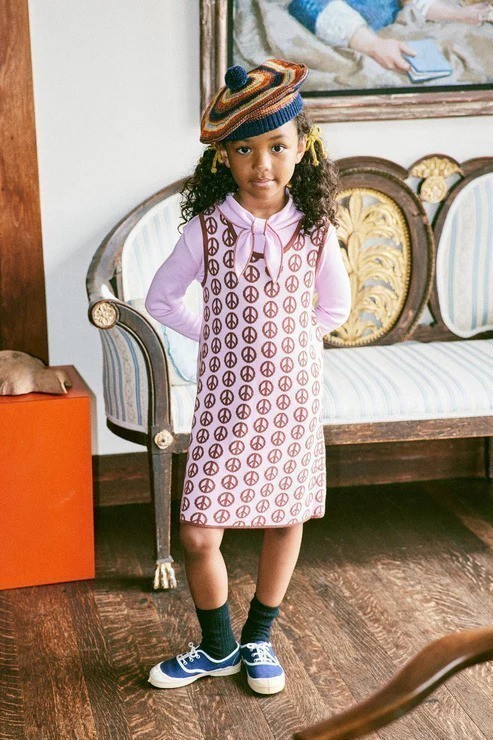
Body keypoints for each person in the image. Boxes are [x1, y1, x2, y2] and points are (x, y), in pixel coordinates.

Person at [145, 58, 351, 695]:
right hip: (227, 404)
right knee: (198, 532)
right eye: (245, 150)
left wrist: (288, 343)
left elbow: (334, 309)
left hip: (291, 401)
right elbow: (161, 300)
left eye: (277, 147)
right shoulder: (206, 231)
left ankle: (259, 636)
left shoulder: (316, 231)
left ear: (302, 147)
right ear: (223, 158)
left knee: (285, 518)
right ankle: (218, 647)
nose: (263, 164)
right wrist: (221, 336)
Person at [288, 0, 492, 72]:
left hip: (387, 29)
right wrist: (374, 44)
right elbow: (307, 5)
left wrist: (459, 15)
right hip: (351, 34)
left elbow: (417, 3)